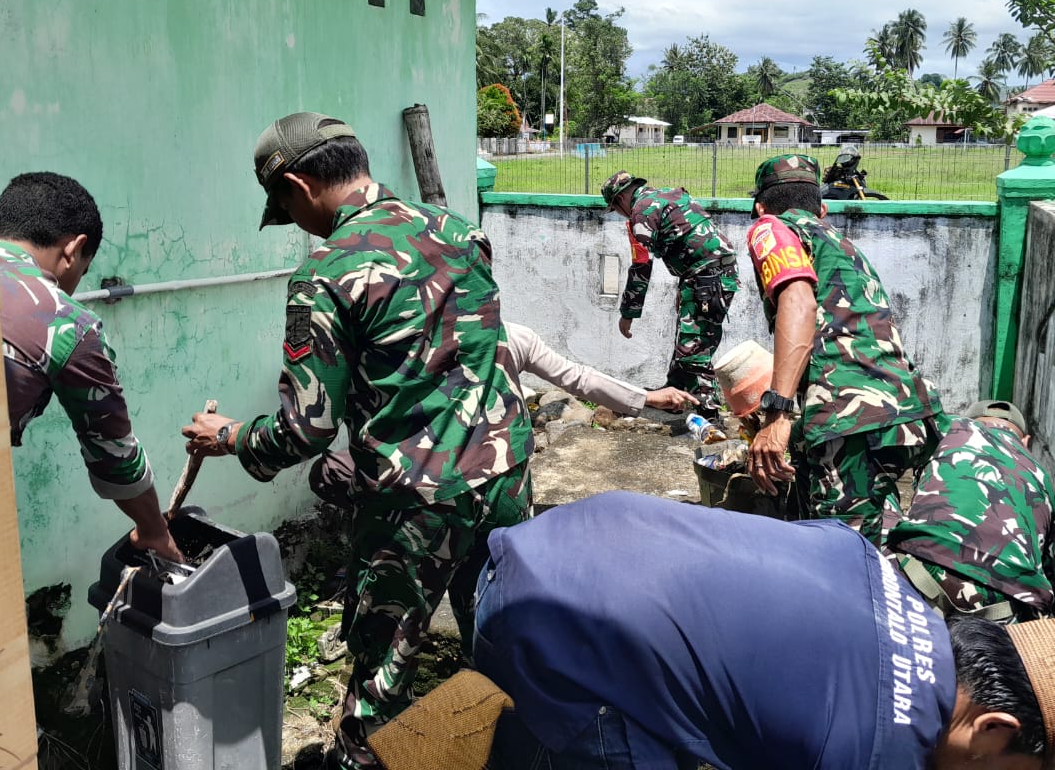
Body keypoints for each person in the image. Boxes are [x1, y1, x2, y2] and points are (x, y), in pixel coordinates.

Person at [178, 112, 532, 770]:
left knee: (382, 678)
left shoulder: (327, 273)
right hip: (505, 472)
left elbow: (305, 428)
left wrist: (227, 436)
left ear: (297, 185)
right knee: (501, 638)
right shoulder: (458, 230)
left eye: (285, 208)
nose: (296, 224)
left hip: (415, 505)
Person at [473, 491, 1055, 770]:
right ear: (993, 729)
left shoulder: (871, 564)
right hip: (545, 625)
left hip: (550, 542)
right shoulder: (882, 751)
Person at [743, 154, 944, 543]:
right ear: (822, 209)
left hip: (850, 419)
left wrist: (778, 413)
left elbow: (798, 303)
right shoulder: (840, 242)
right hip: (907, 412)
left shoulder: (770, 227)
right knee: (874, 537)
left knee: (839, 552)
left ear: (760, 207)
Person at [0, 172, 183, 564]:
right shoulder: (66, 323)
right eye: (82, 271)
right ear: (74, 249)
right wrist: (154, 531)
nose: (76, 284)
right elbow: (115, 457)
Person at [308, 321, 698, 506]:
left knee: (331, 470)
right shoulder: (511, 334)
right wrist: (645, 397)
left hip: (426, 474)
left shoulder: (406, 333)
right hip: (500, 472)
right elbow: (577, 378)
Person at [883, 400, 1055, 622]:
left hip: (919, 574)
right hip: (1008, 606)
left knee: (880, 495)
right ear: (1025, 441)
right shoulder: (1042, 477)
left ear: (971, 422)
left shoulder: (950, 429)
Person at [601, 170, 740, 416]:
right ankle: (674, 394)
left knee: (693, 347)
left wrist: (628, 314)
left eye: (616, 209)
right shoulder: (669, 195)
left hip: (705, 278)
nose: (621, 214)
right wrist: (686, 285)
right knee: (687, 336)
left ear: (620, 199)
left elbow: (641, 267)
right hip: (710, 274)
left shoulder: (641, 213)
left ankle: (709, 415)